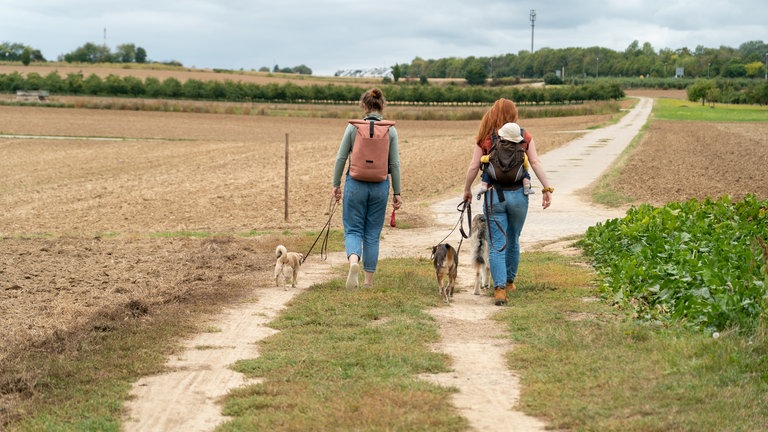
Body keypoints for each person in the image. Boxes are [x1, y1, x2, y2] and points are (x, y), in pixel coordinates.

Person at [462, 98, 553, 306]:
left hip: (494, 196)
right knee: (514, 237)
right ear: (513, 115)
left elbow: (474, 166)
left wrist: (467, 190)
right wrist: (546, 188)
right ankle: (510, 281)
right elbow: (536, 162)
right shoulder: (523, 136)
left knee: (496, 245)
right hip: (519, 196)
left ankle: (500, 289)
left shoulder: (486, 138)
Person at [332, 88, 403, 289]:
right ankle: (368, 282)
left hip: (355, 184)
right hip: (380, 186)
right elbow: (395, 164)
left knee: (353, 229)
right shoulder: (390, 129)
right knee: (372, 233)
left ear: (364, 106)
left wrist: (336, 184)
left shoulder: (354, 128)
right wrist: (397, 192)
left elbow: (341, 157)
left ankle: (354, 261)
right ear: (382, 106)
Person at [477, 121, 533, 198]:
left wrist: (482, 158)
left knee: (487, 171)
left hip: (496, 176)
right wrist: (525, 169)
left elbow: (488, 158)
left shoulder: (497, 148)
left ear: (502, 137)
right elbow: (526, 163)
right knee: (525, 173)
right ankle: (526, 187)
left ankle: (484, 186)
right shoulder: (520, 150)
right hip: (515, 177)